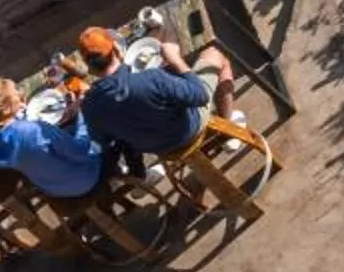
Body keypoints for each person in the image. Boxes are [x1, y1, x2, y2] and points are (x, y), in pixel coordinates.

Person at [72, 24, 231, 173]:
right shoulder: (151, 78)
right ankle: (228, 128)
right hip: (187, 129)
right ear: (116, 48)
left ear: (89, 67)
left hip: (154, 147)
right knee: (215, 52)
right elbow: (200, 96)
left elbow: (102, 139)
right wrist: (176, 60)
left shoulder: (90, 106)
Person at [0, 75, 106, 202]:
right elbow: (81, 151)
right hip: (83, 180)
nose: (20, 93)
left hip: (51, 187)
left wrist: (20, 116)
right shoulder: (36, 130)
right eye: (16, 93)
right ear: (6, 108)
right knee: (102, 127)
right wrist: (81, 114)